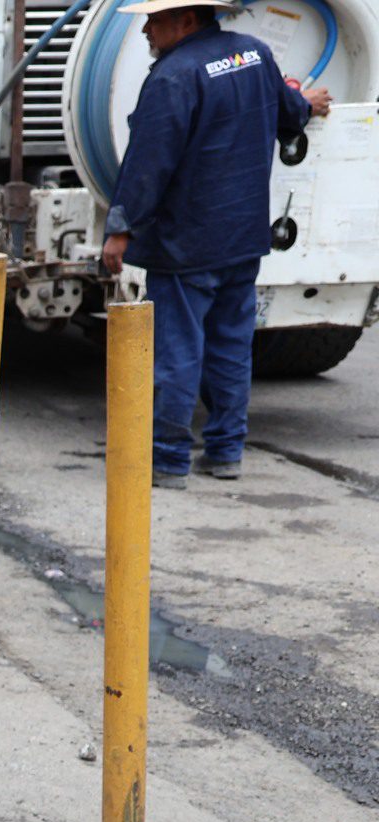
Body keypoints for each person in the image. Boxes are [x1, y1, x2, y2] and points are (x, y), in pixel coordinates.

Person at [99, 0, 330, 488]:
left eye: (154, 20)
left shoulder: (173, 77)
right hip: (242, 238)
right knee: (230, 347)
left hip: (186, 243)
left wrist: (120, 229)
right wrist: (308, 103)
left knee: (178, 350)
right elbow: (290, 114)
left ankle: (167, 460)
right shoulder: (254, 55)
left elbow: (147, 163)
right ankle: (226, 453)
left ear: (187, 20)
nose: (146, 30)